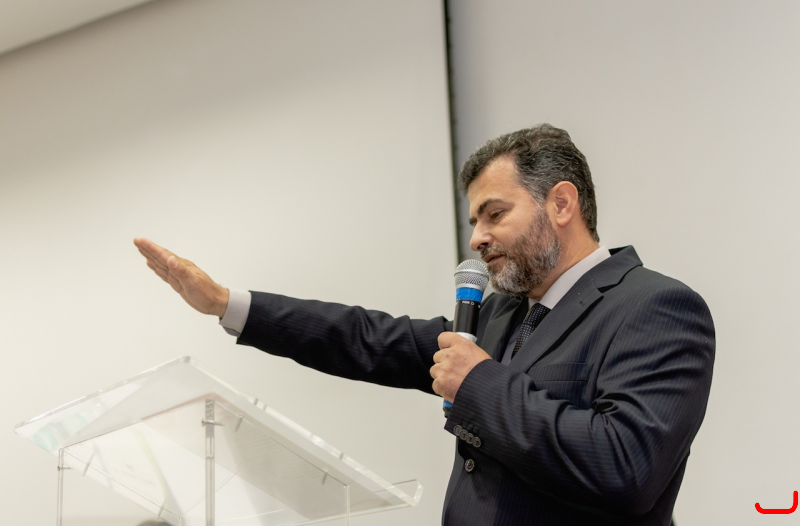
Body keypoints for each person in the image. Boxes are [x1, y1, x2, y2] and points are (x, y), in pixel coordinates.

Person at [134, 124, 714, 525]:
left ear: (561, 204)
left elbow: (626, 468)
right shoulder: (503, 314)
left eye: (495, 214)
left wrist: (479, 382)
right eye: (474, 221)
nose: (477, 238)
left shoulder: (655, 307)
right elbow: (366, 338)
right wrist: (227, 303)